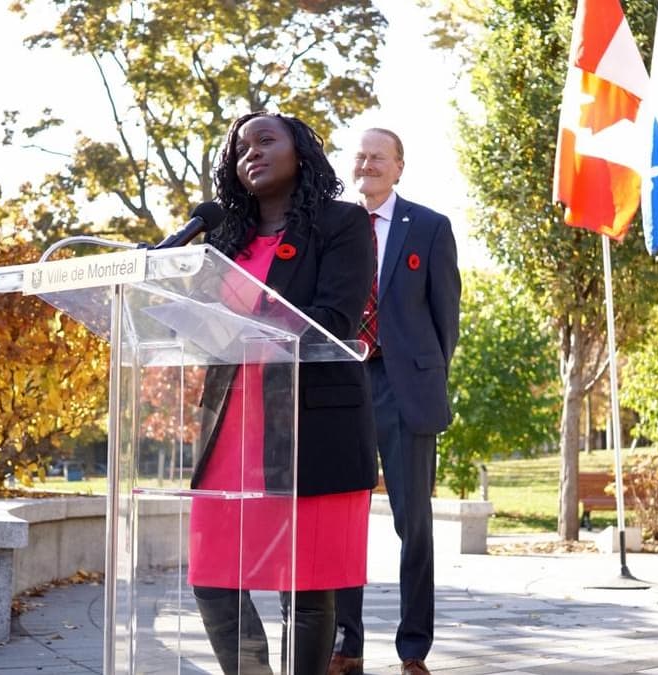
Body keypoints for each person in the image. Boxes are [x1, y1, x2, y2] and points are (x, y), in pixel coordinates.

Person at [187, 111, 377, 675]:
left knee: (305, 584)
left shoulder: (340, 223)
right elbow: (196, 326)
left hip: (309, 423)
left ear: (301, 153)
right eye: (240, 148)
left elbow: (334, 319)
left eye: (266, 140)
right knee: (212, 578)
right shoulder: (221, 239)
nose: (251, 152)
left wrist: (249, 314)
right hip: (229, 428)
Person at [330, 129, 461, 675]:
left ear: (400, 168)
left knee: (415, 523)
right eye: (360, 157)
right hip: (342, 385)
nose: (368, 164)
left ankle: (413, 650)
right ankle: (346, 643)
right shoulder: (334, 227)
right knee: (342, 520)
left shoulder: (430, 227)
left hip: (405, 389)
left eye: (379, 157)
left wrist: (423, 375)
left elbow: (445, 318)